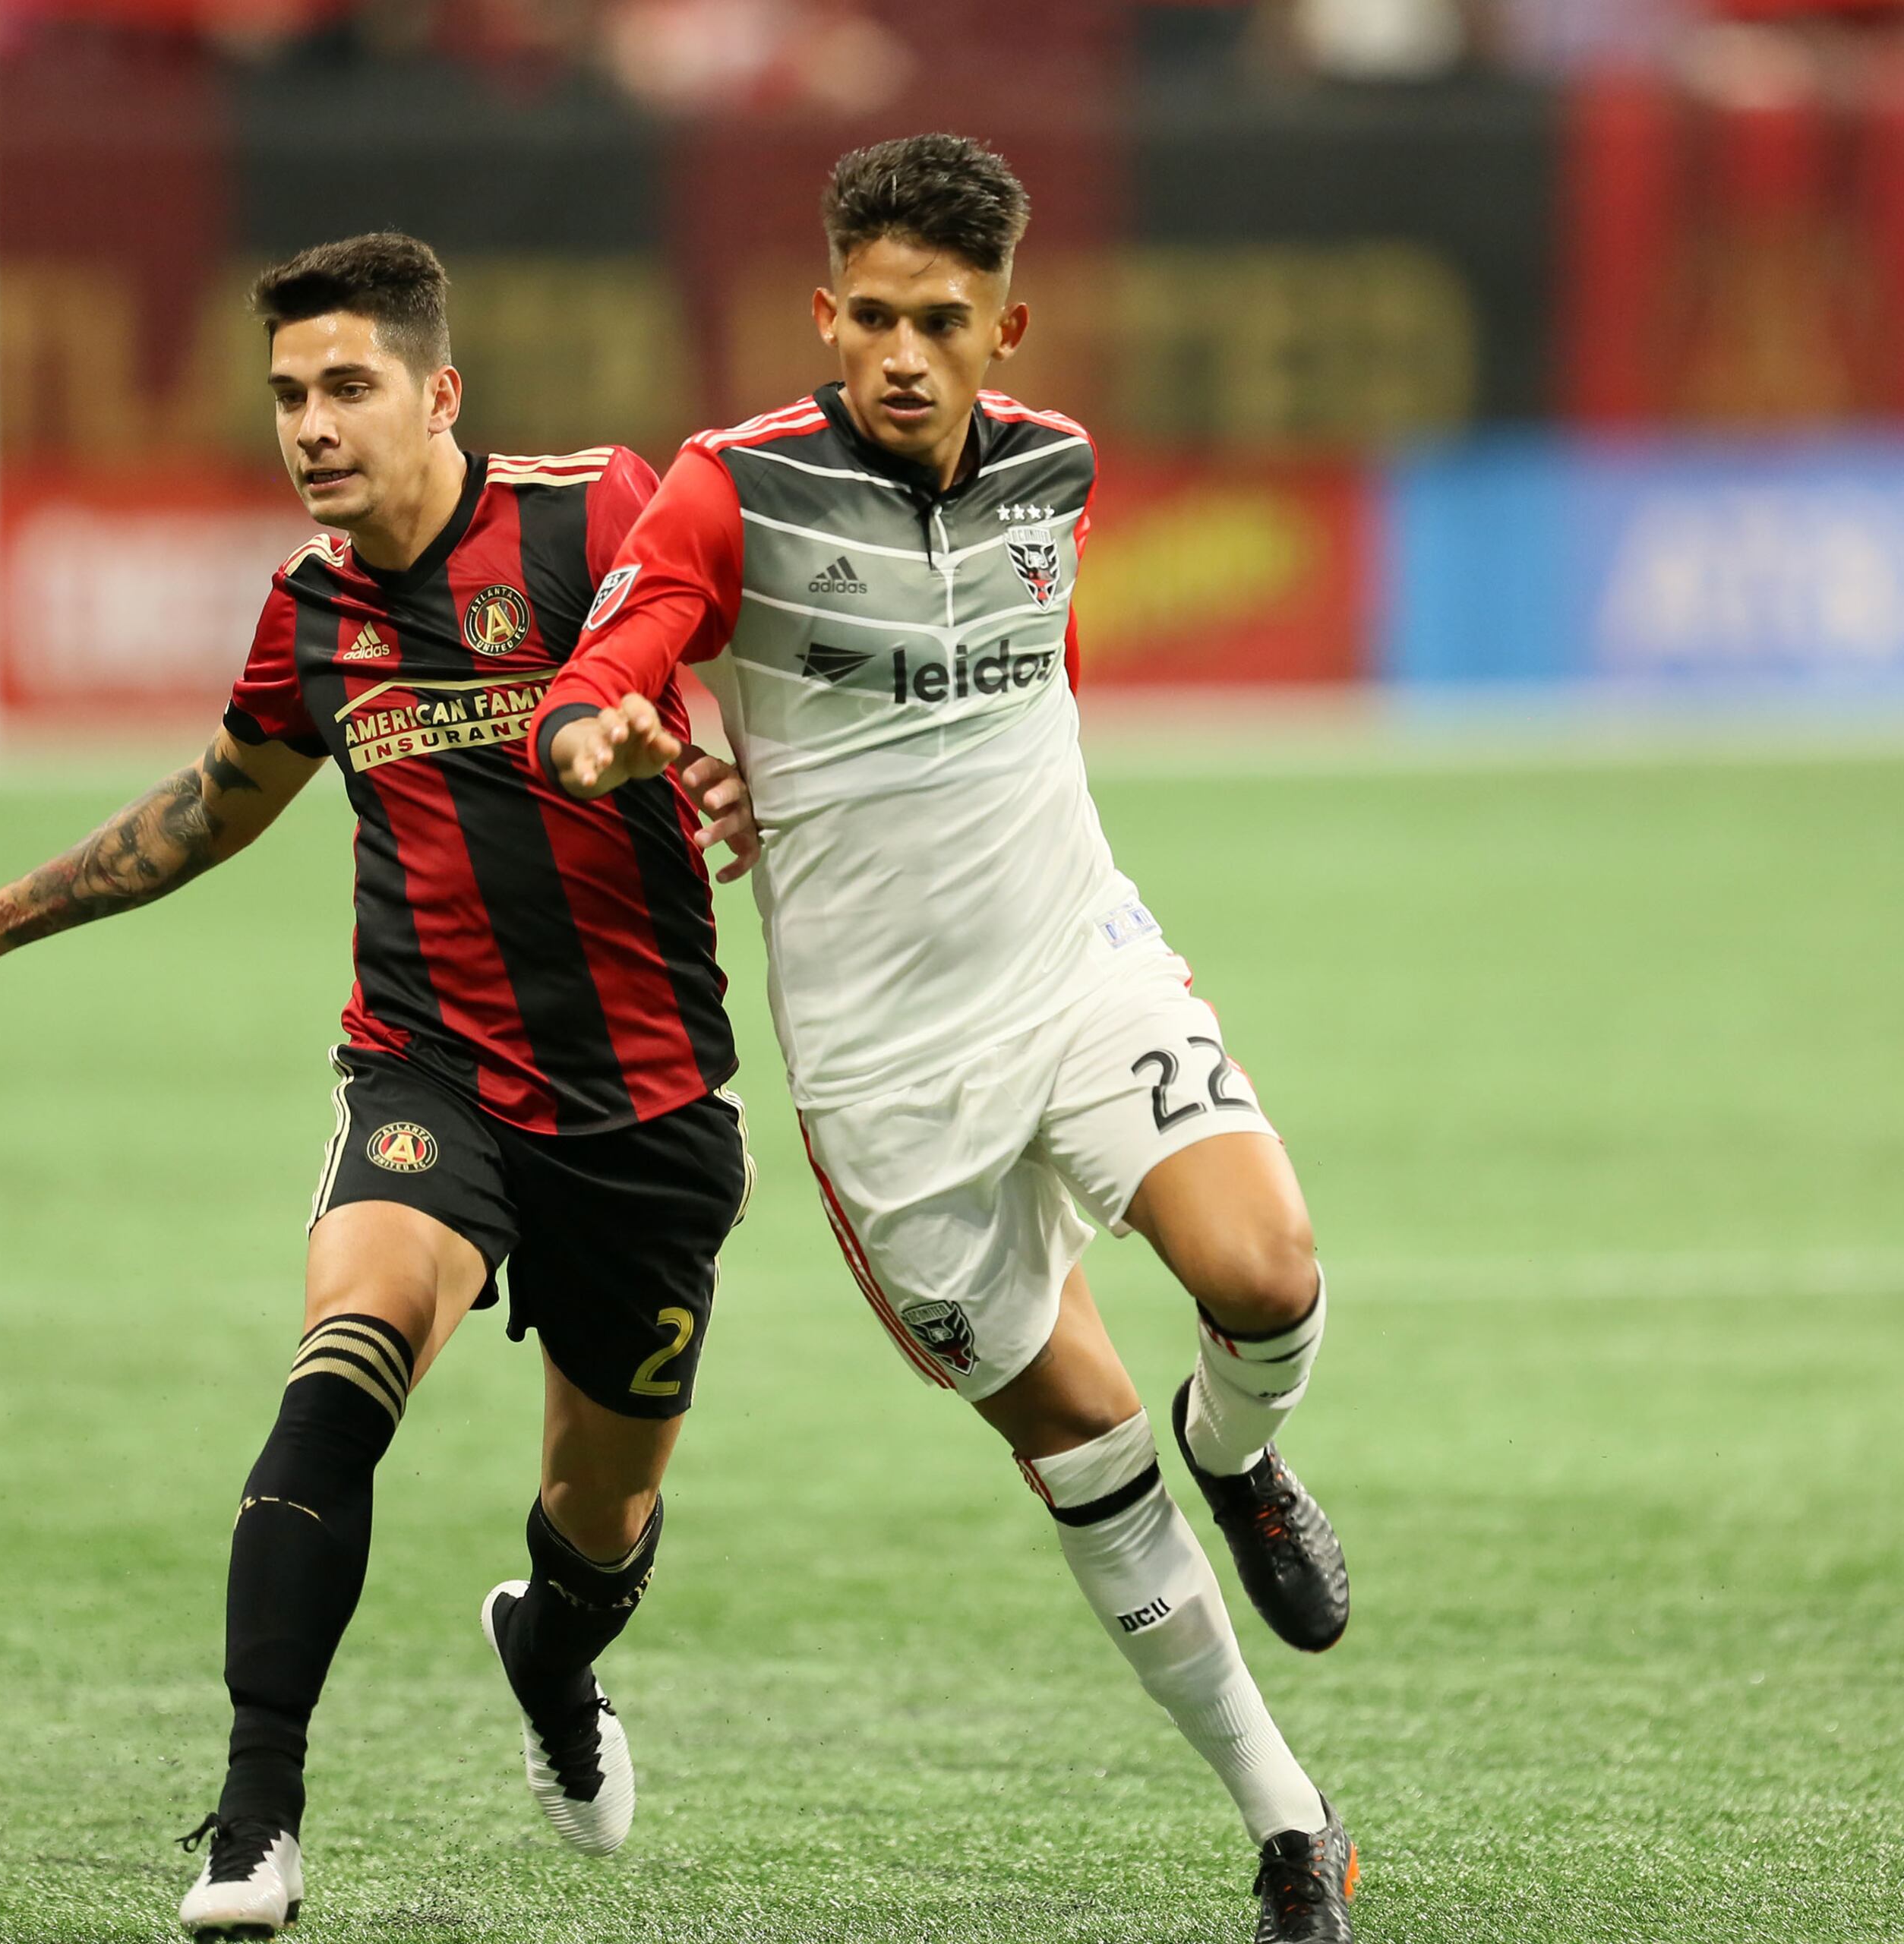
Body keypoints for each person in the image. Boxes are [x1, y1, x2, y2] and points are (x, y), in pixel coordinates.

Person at [0, 234, 756, 1942]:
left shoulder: (592, 518)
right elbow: (211, 804)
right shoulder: (312, 611)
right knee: (344, 1362)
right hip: (429, 1070)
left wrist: (719, 763)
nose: (314, 426)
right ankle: (253, 1816)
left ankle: (550, 1659)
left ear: (440, 393)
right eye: (288, 395)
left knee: (599, 1520)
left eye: (348, 386)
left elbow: (750, 648)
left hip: (646, 1110)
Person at [530, 137, 1359, 1941]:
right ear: (825, 313)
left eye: (945, 321)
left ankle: (1247, 1457)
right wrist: (611, 737)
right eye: (875, 318)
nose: (904, 351)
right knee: (1080, 1445)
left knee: (1271, 1270)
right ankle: (1289, 1816)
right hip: (889, 1080)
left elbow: (1036, 679)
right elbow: (607, 674)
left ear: (1008, 327)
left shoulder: (1058, 467)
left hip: (1079, 973)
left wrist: (1094, 882)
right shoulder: (730, 490)